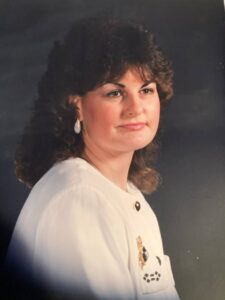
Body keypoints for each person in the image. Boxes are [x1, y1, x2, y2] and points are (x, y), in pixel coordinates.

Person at [6, 16, 179, 300]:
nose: (136, 107)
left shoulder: (121, 194)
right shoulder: (79, 198)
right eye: (115, 93)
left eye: (146, 90)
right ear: (77, 107)